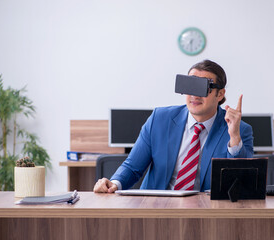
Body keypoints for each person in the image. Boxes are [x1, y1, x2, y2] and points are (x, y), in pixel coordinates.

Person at [93, 59, 253, 193]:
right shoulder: (160, 119)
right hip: (157, 207)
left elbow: (239, 184)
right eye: (190, 86)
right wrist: (115, 183)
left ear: (220, 94)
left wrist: (234, 138)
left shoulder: (239, 130)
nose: (194, 95)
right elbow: (133, 166)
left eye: (203, 88)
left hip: (205, 212)